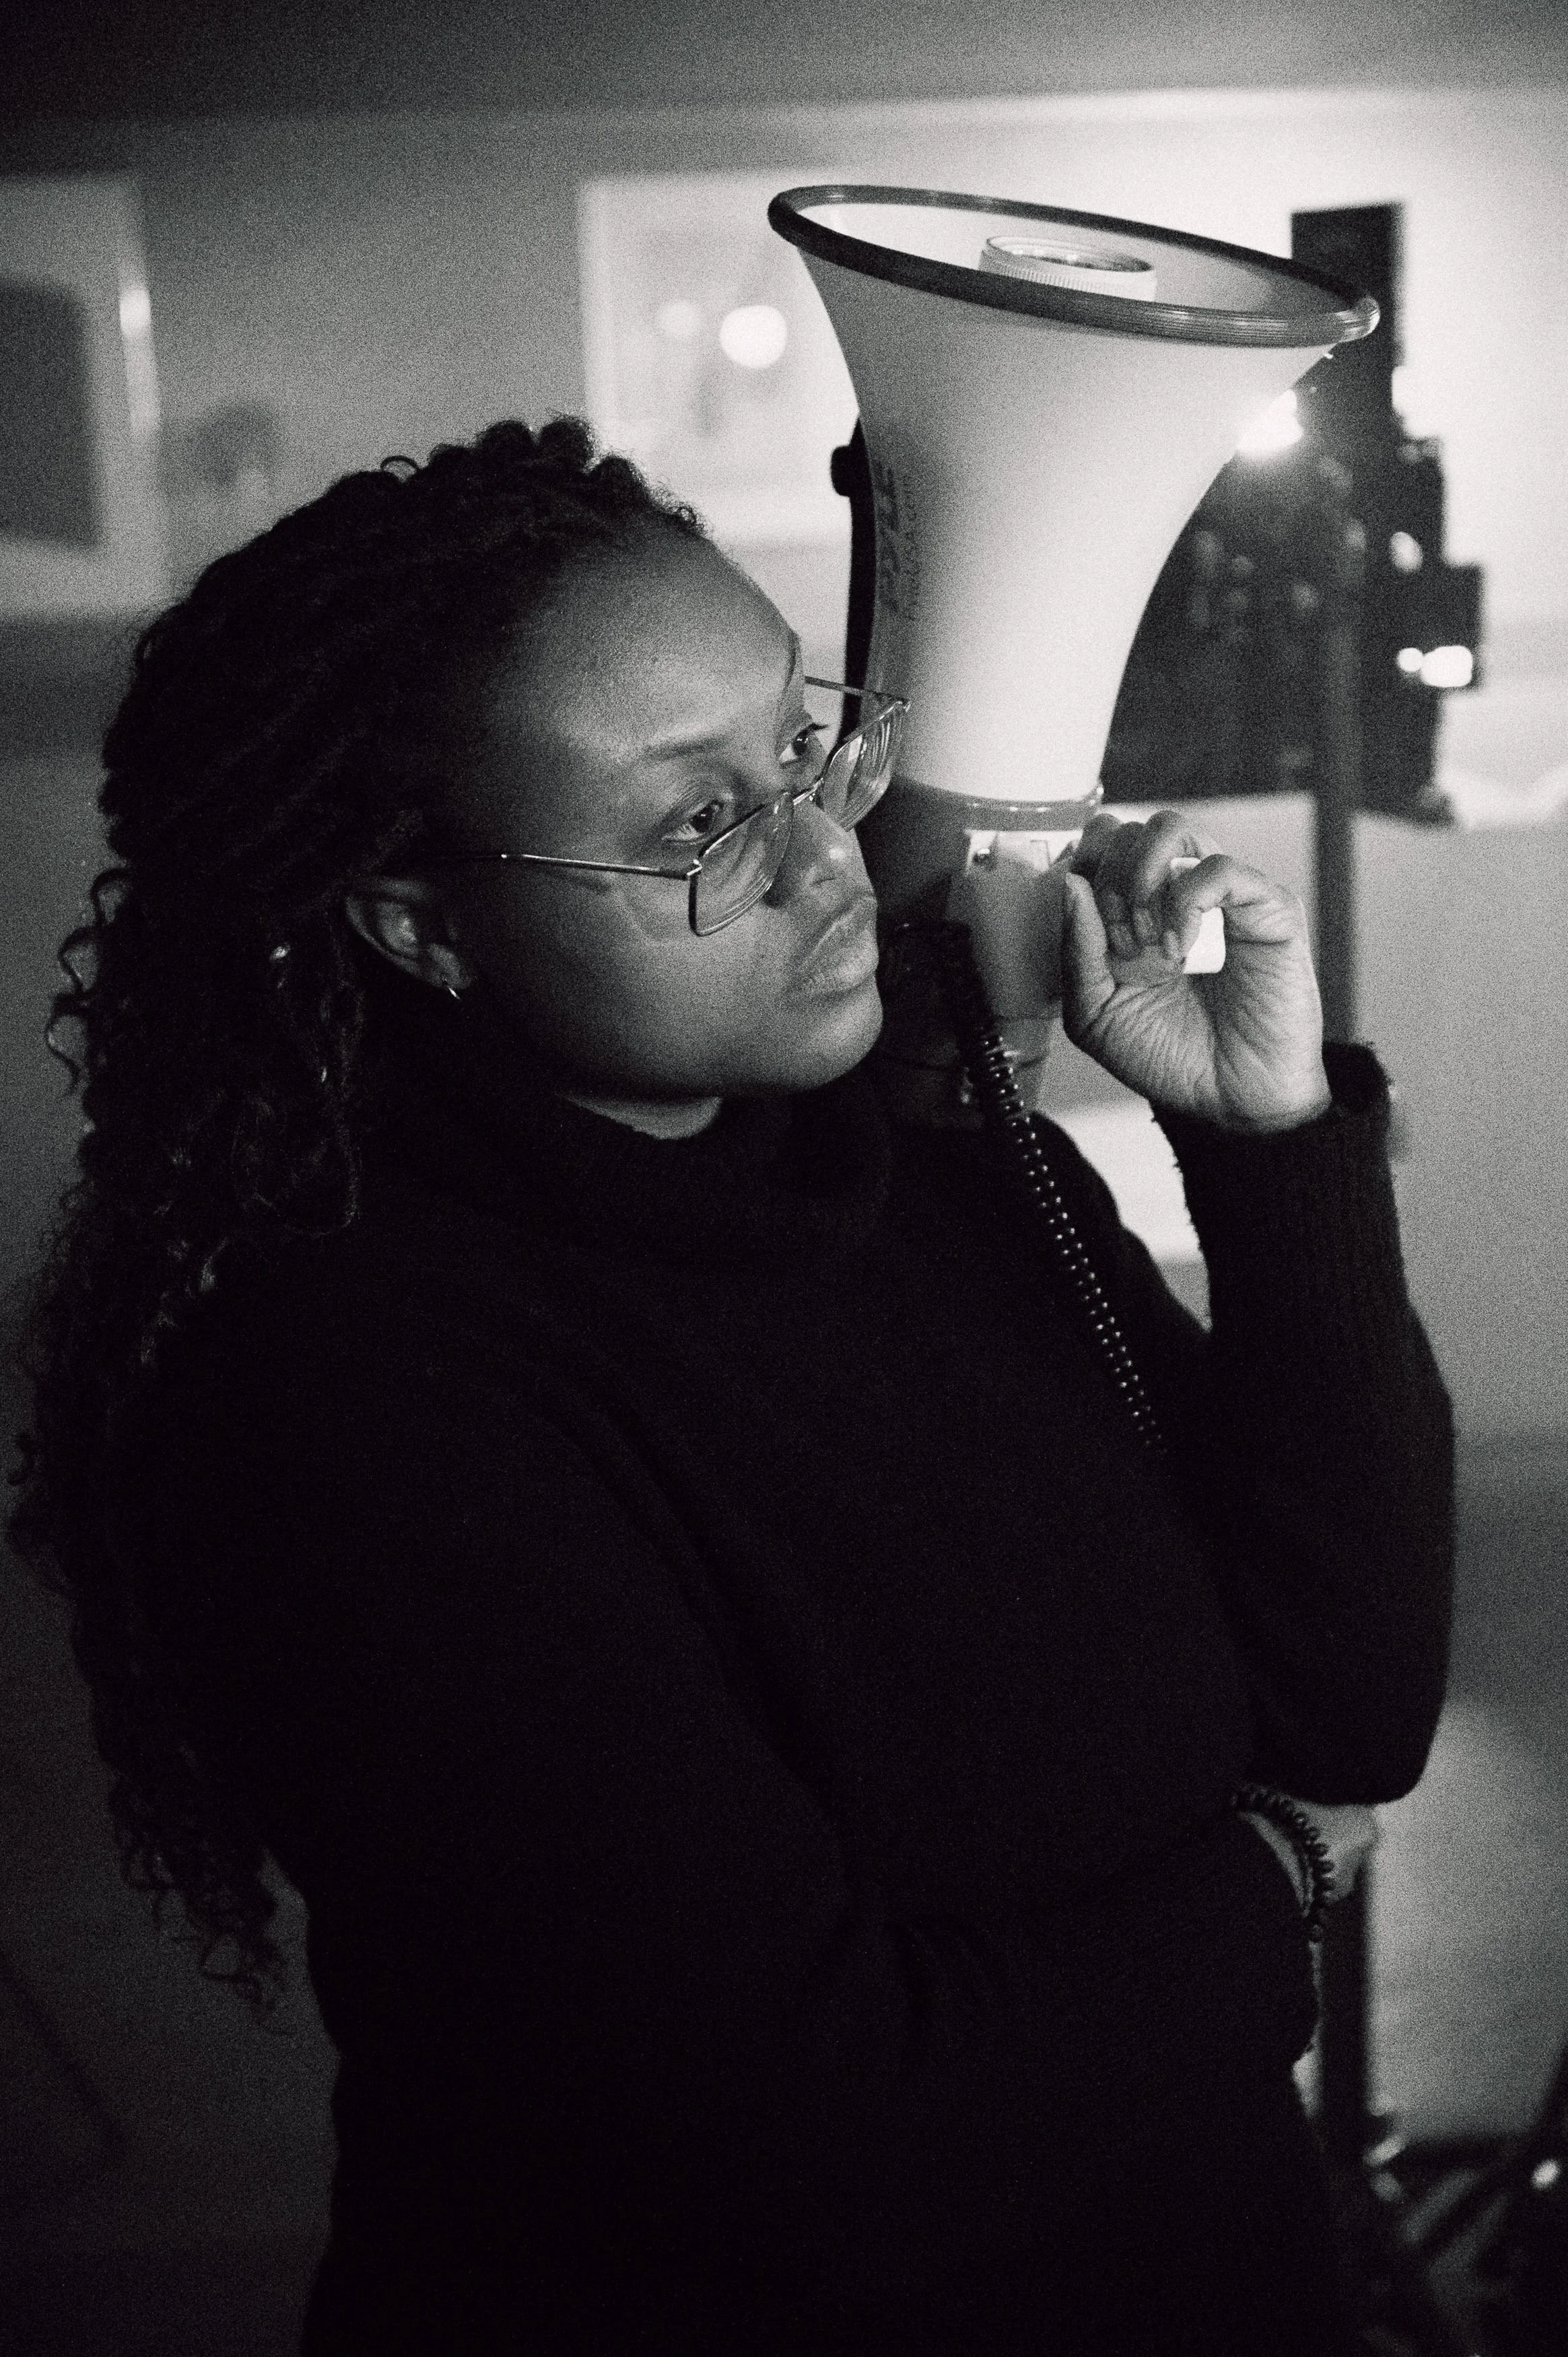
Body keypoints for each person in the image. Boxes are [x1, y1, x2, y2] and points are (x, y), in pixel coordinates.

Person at [9, 418, 1454, 2354]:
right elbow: (826, 2141)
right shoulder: (345, 1395)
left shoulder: (917, 1153)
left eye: (802, 747)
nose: (824, 858)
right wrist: (1264, 1882)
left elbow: (1342, 1685)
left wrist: (1269, 1151)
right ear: (416, 920)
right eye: (694, 825)